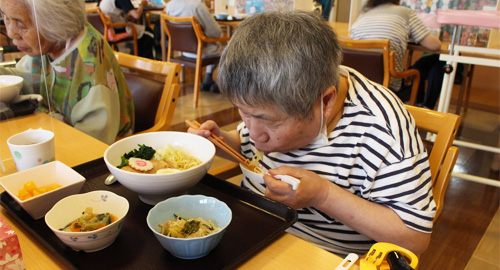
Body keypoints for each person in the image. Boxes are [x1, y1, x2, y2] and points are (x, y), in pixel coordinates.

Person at [188, 11, 435, 256]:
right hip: (253, 229)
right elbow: (250, 148)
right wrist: (223, 142)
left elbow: (414, 238)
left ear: (325, 102)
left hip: (328, 256)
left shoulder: (381, 129)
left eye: (268, 122)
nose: (254, 135)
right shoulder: (274, 96)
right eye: (243, 113)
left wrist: (322, 195)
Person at [0, 0, 134, 144]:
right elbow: (21, 79)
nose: (11, 33)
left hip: (96, 152)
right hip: (55, 135)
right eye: (6, 19)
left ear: (55, 20)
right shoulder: (49, 43)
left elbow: (92, 142)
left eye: (21, 24)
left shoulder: (88, 67)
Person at [350, 0, 441, 100]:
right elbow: (435, 45)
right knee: (416, 73)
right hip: (388, 85)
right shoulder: (406, 13)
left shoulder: (363, 15)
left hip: (357, 82)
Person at [166, 0, 225, 93]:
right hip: (201, 51)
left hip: (184, 51)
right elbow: (216, 33)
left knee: (214, 45)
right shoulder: (198, 6)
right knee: (226, 48)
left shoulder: (170, 5)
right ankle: (220, 83)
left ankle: (208, 79)